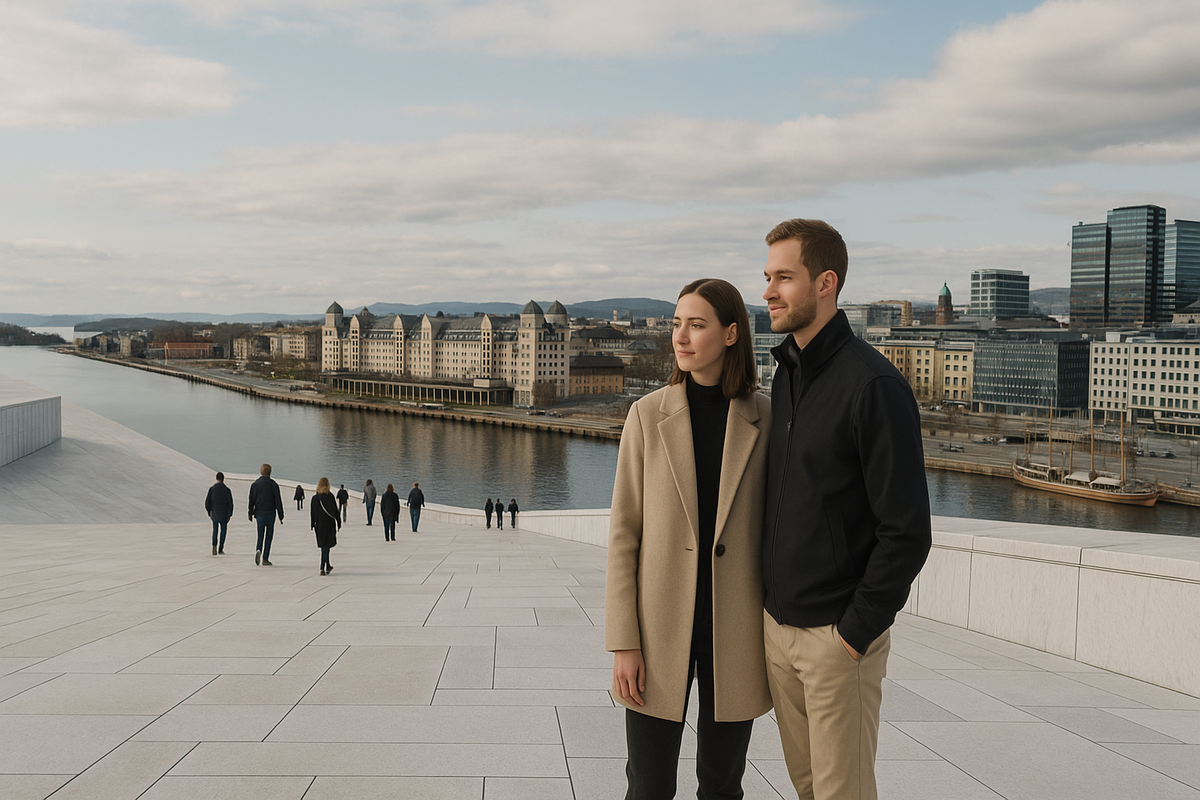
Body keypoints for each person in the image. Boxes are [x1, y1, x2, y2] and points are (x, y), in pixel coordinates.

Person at [760, 219, 932, 800]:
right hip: (779, 631)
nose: (768, 292)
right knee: (810, 789)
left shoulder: (873, 385)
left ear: (825, 283)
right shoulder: (787, 373)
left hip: (835, 640)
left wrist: (853, 635)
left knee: (843, 794)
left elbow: (906, 532)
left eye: (784, 277)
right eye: (767, 277)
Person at [605, 278, 772, 800]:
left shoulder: (766, 418)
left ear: (729, 334)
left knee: (723, 786)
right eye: (677, 323)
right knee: (649, 785)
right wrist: (623, 641)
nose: (681, 335)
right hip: (657, 629)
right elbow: (623, 536)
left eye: (696, 325)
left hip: (736, 630)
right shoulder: (646, 415)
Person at [247, 463, 285, 566]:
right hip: (270, 513)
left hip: (259, 513)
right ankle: (265, 558)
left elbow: (251, 500)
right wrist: (281, 515)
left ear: (261, 471)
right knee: (269, 536)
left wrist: (250, 513)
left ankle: (258, 549)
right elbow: (278, 501)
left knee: (260, 534)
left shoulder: (255, 485)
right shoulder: (274, 485)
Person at [310, 476, 340, 575]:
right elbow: (335, 511)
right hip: (329, 524)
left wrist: (312, 524)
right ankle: (323, 567)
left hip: (319, 525)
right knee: (326, 546)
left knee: (324, 546)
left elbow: (312, 513)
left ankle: (326, 566)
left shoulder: (315, 498)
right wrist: (339, 523)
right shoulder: (330, 496)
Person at [204, 471, 233, 556]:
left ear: (216, 478)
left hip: (215, 513)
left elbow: (207, 502)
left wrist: (209, 511)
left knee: (215, 530)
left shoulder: (212, 489)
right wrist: (229, 514)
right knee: (223, 531)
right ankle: (220, 548)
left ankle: (214, 546)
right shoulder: (227, 490)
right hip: (224, 514)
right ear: (223, 479)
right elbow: (230, 503)